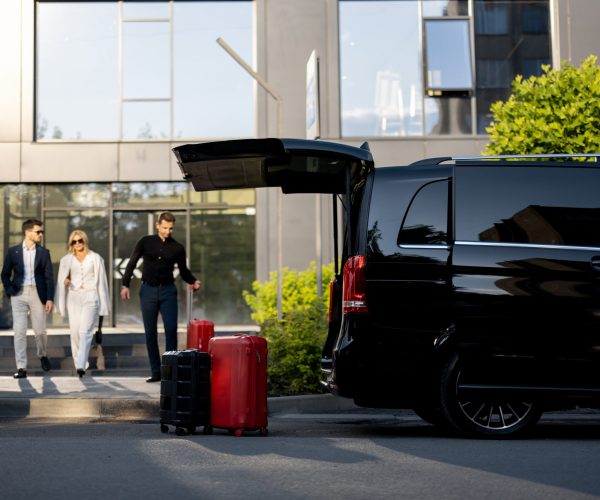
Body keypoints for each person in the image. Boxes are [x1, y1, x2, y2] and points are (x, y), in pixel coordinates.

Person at [120, 212, 200, 382]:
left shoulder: (177, 248)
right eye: (164, 228)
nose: (167, 231)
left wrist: (193, 281)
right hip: (148, 291)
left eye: (170, 228)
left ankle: (170, 373)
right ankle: (156, 372)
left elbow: (184, 271)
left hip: (168, 292)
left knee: (171, 331)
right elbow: (132, 262)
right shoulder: (145, 241)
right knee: (151, 333)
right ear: (158, 225)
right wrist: (125, 284)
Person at [1, 218, 54, 379]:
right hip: (18, 294)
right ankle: (21, 367)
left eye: (41, 232)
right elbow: (4, 274)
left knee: (40, 331)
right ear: (28, 232)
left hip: (38, 294)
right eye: (38, 232)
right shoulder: (13, 251)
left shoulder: (44, 253)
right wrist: (10, 290)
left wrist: (50, 298)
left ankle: (42, 354)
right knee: (19, 331)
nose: (41, 234)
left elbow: (48, 278)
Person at [55, 230, 110, 378]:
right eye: (74, 241)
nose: (77, 244)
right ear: (71, 244)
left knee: (85, 331)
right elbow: (61, 282)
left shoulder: (95, 258)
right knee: (75, 332)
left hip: (90, 296)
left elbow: (102, 282)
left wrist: (104, 304)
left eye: (80, 241)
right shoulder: (66, 260)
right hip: (73, 297)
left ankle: (81, 365)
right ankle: (79, 362)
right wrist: (65, 281)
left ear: (85, 241)